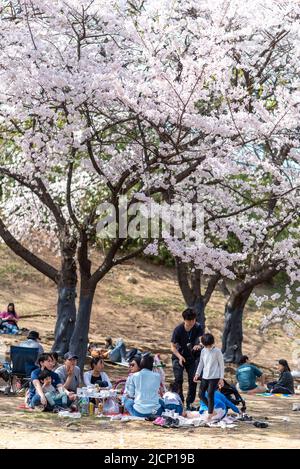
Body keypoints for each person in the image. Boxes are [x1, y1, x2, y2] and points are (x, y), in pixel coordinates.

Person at [171, 308, 203, 410]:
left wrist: (199, 345)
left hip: (191, 357)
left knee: (193, 379)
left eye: (194, 320)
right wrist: (180, 357)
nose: (192, 322)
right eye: (190, 321)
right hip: (178, 356)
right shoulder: (178, 330)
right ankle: (179, 401)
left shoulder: (198, 327)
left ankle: (189, 403)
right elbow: (172, 347)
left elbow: (202, 340)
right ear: (184, 320)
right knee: (178, 379)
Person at [194, 333, 224, 422]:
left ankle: (210, 413)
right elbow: (201, 363)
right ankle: (212, 410)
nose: (208, 347)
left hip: (214, 377)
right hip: (205, 376)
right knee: (200, 394)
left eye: (209, 345)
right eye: (206, 345)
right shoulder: (203, 351)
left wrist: (221, 378)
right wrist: (197, 374)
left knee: (210, 394)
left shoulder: (217, 351)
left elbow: (221, 365)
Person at [124, 354, 164, 418]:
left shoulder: (134, 376)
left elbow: (130, 395)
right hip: (155, 411)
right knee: (161, 402)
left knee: (126, 400)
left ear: (141, 364)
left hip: (139, 412)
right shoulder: (157, 376)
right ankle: (153, 415)